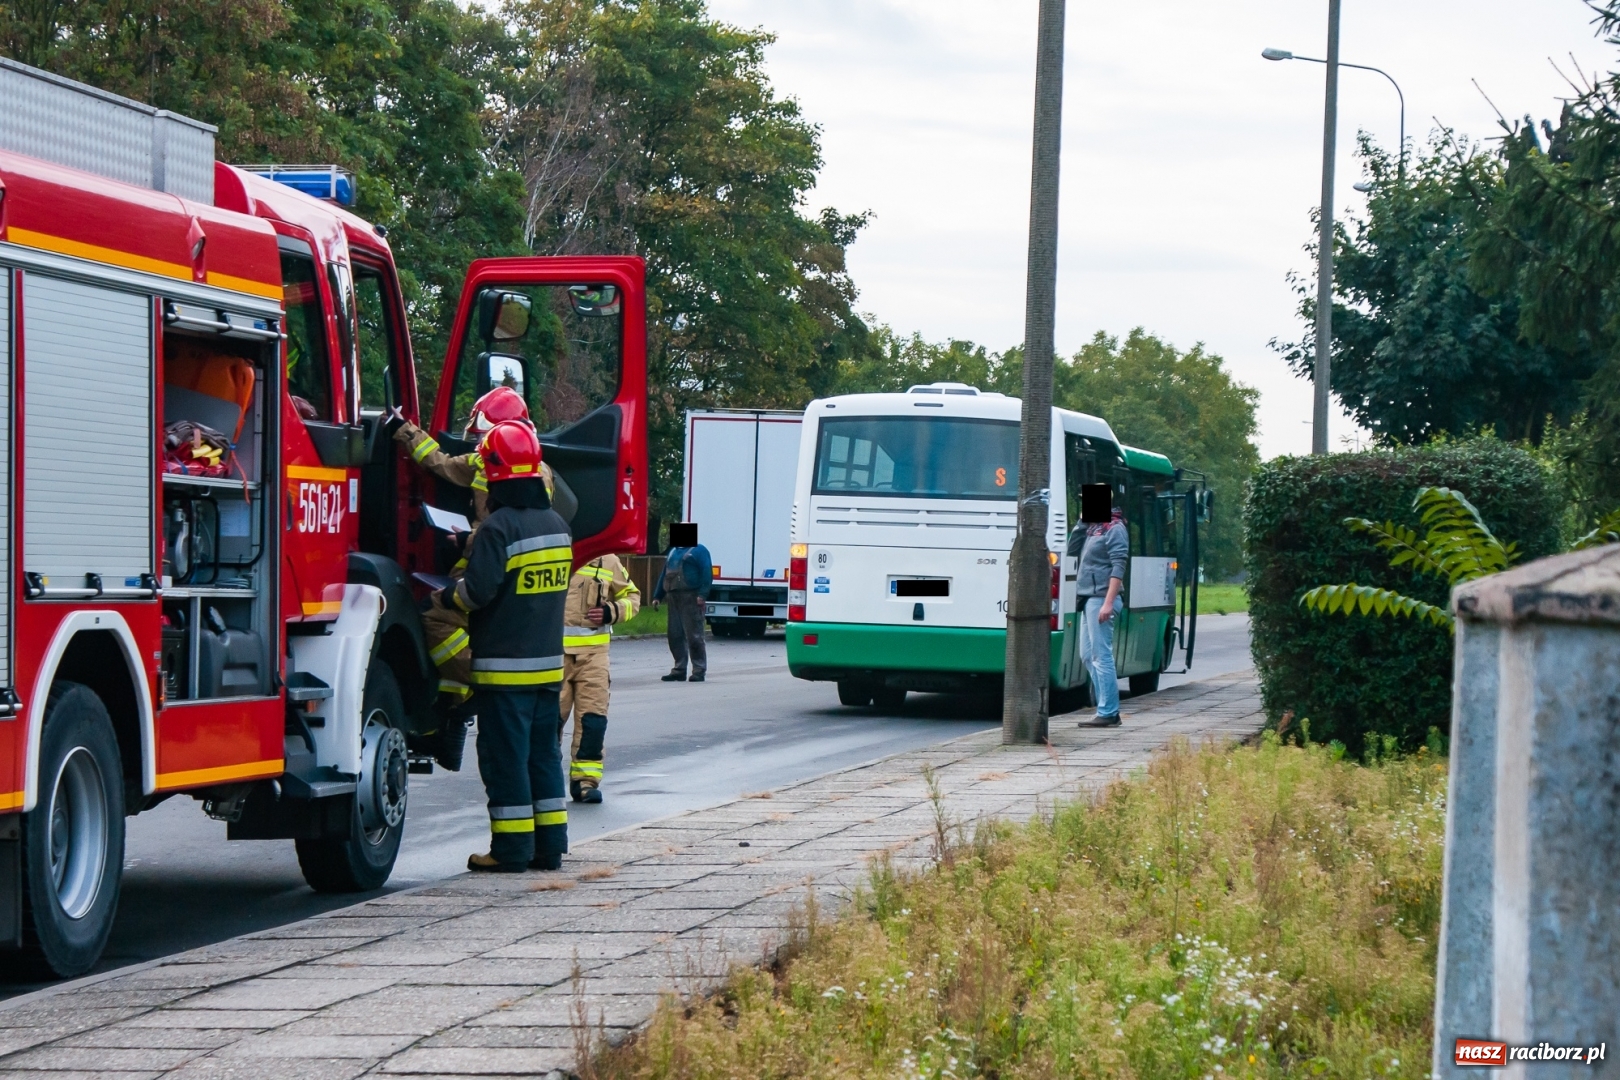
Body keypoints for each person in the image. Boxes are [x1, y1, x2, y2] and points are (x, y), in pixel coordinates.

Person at [387, 387, 575, 768]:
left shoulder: (536, 474)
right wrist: (404, 429)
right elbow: (437, 462)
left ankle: (479, 686)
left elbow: (521, 528)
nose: (480, 448)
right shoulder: (480, 461)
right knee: (454, 621)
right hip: (482, 556)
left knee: (436, 616)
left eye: (484, 438)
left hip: (499, 561)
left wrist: (467, 541)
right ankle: (456, 707)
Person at [448, 421, 573, 872]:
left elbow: (476, 593)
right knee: (543, 758)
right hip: (547, 671)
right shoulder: (557, 524)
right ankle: (549, 846)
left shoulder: (498, 526)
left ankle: (511, 850)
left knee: (505, 761)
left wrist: (442, 595)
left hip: (504, 672)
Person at [559, 553, 640, 803]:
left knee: (593, 722)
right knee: (547, 722)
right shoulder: (554, 547)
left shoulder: (608, 560)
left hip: (594, 657)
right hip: (553, 654)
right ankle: (543, 781)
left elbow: (633, 598)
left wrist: (610, 611)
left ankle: (585, 782)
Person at [1071, 484, 1127, 727]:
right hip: (1088, 598)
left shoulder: (1115, 529)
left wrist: (1108, 603)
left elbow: (1119, 566)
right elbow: (1071, 550)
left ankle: (1109, 711)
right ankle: (1107, 705)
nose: (1085, 504)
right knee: (1087, 655)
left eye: (1088, 501)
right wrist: (1081, 523)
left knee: (1100, 655)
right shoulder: (1094, 529)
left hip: (1102, 599)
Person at [653, 521, 712, 682]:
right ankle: (679, 669)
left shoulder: (699, 551)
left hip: (691, 598)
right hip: (673, 598)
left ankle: (699, 670)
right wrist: (657, 596)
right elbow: (664, 575)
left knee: (694, 636)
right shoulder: (673, 552)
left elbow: (707, 573)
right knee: (675, 635)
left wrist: (702, 595)